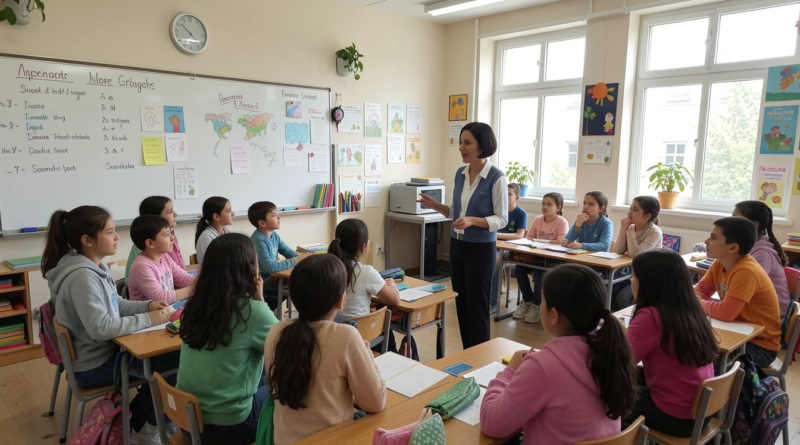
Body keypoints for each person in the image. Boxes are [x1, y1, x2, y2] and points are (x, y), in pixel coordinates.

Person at [41, 206, 175, 444]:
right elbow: (101, 328)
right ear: (87, 240)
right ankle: (140, 429)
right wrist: (150, 319)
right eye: (110, 232)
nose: (117, 237)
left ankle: (158, 420)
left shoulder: (96, 267)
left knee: (171, 358)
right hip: (95, 365)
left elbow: (116, 303)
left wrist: (147, 306)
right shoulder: (83, 277)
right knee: (173, 366)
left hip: (106, 353)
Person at [480, 263, 637, 444]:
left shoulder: (542, 367)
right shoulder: (609, 351)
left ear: (554, 315)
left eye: (542, 301)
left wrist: (508, 373)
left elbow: (491, 424)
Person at [265, 255, 386, 445]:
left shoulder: (275, 332)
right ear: (341, 300)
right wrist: (368, 354)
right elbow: (376, 402)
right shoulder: (345, 336)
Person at [177, 233, 279, 445]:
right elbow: (288, 348)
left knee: (264, 377)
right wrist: (261, 301)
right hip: (230, 427)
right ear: (250, 268)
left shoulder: (195, 306)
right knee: (288, 383)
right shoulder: (253, 311)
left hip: (187, 422)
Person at [418, 122, 508, 348]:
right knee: (462, 305)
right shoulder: (460, 173)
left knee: (477, 308)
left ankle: (481, 357)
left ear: (482, 146)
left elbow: (502, 219)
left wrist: (472, 221)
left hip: (481, 250)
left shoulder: (497, 177)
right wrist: (436, 205)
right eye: (460, 142)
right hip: (457, 247)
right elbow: (453, 211)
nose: (461, 147)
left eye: (467, 143)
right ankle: (468, 353)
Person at [624, 249, 717, 436]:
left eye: (635, 276)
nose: (631, 281)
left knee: (606, 393)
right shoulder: (690, 308)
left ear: (649, 283)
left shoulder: (652, 316)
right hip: (702, 409)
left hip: (677, 416)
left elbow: (618, 360)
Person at [695, 217, 781, 370]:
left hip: (760, 345)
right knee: (690, 351)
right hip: (735, 332)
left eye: (713, 238)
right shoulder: (719, 263)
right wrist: (696, 298)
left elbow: (725, 313)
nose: (706, 241)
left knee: (708, 365)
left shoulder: (746, 271)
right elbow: (700, 290)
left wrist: (696, 302)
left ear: (733, 248)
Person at [327, 218, 399, 321]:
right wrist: (391, 283)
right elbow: (395, 300)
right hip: (358, 330)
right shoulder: (366, 272)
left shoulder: (329, 268)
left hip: (333, 328)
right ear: (363, 247)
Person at [513, 192, 568, 323]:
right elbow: (529, 238)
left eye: (549, 204)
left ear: (558, 208)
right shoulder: (538, 220)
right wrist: (545, 241)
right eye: (543, 203)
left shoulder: (561, 222)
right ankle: (528, 300)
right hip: (536, 257)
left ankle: (537, 305)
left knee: (539, 272)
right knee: (519, 269)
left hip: (553, 260)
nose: (544, 206)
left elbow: (561, 242)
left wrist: (541, 241)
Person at [733, 200, 790, 317]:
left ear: (754, 224)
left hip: (770, 315)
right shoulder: (751, 246)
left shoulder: (762, 253)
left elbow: (747, 285)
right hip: (755, 306)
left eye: (736, 219)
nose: (730, 223)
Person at [248, 201, 310, 308]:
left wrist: (302, 258)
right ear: (262, 223)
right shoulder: (258, 240)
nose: (278, 217)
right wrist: (296, 260)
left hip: (274, 277)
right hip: (263, 281)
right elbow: (270, 267)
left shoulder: (273, 235)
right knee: (301, 282)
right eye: (273, 215)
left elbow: (286, 251)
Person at [127, 215, 195, 303]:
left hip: (167, 309)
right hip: (152, 311)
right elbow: (160, 298)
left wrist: (203, 282)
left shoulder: (165, 257)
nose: (172, 238)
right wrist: (193, 289)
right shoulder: (141, 266)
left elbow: (183, 278)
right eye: (166, 235)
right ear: (150, 243)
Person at [613, 196, 663, 309]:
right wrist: (623, 230)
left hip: (647, 277)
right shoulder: (630, 227)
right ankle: (616, 319)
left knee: (622, 297)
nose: (629, 212)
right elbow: (618, 250)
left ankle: (633, 318)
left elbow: (636, 254)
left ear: (647, 216)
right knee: (609, 289)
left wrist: (630, 232)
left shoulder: (654, 232)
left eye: (635, 209)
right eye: (630, 208)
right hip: (630, 274)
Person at [125, 196, 184, 285]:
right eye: (170, 211)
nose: (175, 214)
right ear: (155, 219)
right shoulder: (149, 248)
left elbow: (180, 274)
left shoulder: (165, 251)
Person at [490, 183, 527, 314]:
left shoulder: (521, 213)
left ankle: (493, 299)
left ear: (516, 198)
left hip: (510, 249)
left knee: (495, 260)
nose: (505, 196)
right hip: (494, 245)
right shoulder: (496, 211)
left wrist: (497, 235)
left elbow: (519, 235)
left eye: (509, 194)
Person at [195, 196, 234, 263]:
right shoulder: (206, 238)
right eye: (228, 211)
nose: (233, 214)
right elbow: (212, 265)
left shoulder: (227, 230)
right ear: (216, 216)